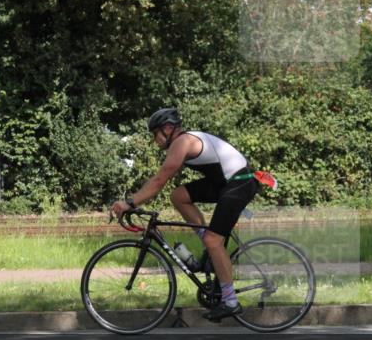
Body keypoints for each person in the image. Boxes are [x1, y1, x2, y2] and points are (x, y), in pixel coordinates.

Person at [110, 108, 260, 321]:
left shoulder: (183, 142)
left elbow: (159, 180)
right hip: (225, 182)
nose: (155, 140)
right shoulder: (183, 142)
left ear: (168, 129)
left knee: (213, 240)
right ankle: (209, 253)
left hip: (240, 182)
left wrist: (130, 202)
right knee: (179, 196)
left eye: (155, 134)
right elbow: (164, 182)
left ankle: (230, 301)